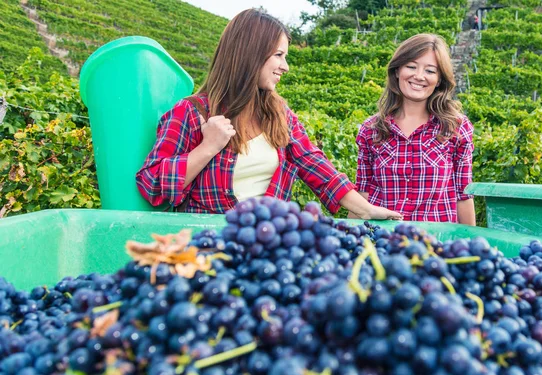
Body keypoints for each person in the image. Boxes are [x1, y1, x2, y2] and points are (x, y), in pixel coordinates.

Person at [136, 9, 402, 221]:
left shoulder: (279, 113)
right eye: (278, 55)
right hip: (210, 249)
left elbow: (313, 163)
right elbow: (152, 185)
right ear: (250, 54)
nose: (285, 66)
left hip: (267, 244)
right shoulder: (193, 113)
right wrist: (207, 148)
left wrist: (366, 209)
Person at [353, 33, 476, 225]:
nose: (419, 76)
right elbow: (362, 192)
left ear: (439, 80)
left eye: (430, 71)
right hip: (382, 242)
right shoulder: (371, 130)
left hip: (435, 244)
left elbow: (464, 194)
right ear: (397, 71)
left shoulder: (455, 128)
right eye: (411, 66)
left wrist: (471, 246)